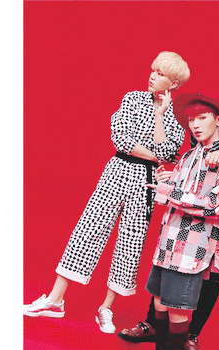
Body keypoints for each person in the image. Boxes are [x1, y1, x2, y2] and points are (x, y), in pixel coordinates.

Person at [23, 52, 190, 334]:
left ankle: (106, 308)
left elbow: (168, 150)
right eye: (153, 70)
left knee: (130, 242)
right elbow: (121, 139)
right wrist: (157, 156)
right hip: (117, 171)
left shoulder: (177, 117)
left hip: (147, 183)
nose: (152, 76)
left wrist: (161, 117)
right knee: (88, 229)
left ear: (173, 84)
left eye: (160, 74)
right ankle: (55, 300)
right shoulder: (132, 98)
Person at [118, 63, 219, 350]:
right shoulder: (205, 113)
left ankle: (192, 333)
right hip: (190, 202)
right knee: (171, 257)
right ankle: (153, 324)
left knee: (211, 272)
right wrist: (174, 179)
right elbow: (194, 155)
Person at [122, 93, 219, 350]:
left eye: (202, 118)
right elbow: (178, 189)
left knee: (177, 311)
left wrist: (171, 194)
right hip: (168, 242)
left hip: (193, 249)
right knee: (160, 305)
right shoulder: (189, 156)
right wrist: (168, 183)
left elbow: (216, 205)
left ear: (218, 120)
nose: (195, 125)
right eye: (191, 119)